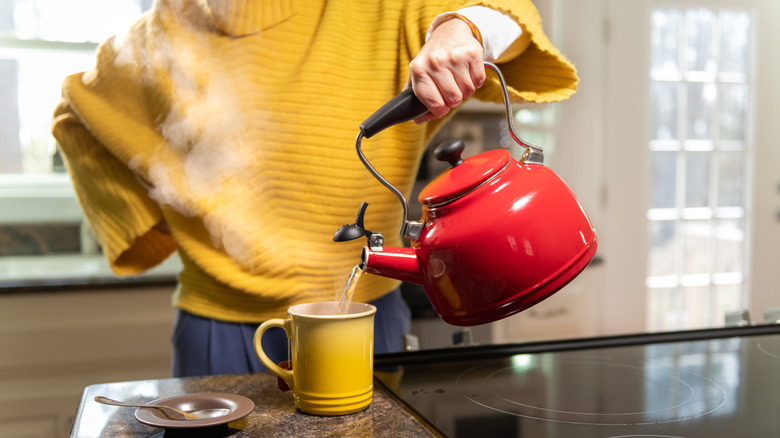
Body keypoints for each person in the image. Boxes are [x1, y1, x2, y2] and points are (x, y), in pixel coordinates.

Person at [52, 0, 577, 377]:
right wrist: (161, 213)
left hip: (367, 316)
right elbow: (74, 113)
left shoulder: (379, 8)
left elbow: (504, 14)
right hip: (219, 325)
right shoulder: (157, 37)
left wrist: (459, 33)